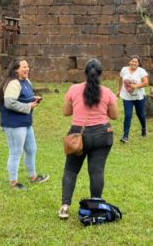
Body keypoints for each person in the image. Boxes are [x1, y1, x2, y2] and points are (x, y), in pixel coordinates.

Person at [58, 58, 119, 219]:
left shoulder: (73, 89)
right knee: (96, 171)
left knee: (71, 170)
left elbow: (66, 112)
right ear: (101, 74)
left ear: (84, 73)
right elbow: (115, 115)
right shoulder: (107, 92)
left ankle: (65, 206)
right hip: (102, 135)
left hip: (79, 134)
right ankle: (95, 206)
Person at [0, 58, 49, 190]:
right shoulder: (13, 83)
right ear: (16, 70)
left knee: (31, 149)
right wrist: (28, 105)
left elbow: (23, 97)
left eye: (28, 66)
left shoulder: (26, 82)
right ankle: (13, 183)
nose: (27, 69)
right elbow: (9, 103)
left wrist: (33, 99)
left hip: (25, 122)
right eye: (24, 67)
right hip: (14, 124)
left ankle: (33, 177)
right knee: (15, 152)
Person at [117, 55, 149, 143]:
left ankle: (144, 128)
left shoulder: (141, 71)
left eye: (136, 62)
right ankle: (125, 136)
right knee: (128, 115)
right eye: (132, 61)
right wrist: (119, 90)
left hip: (139, 97)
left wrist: (136, 86)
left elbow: (146, 83)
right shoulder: (124, 70)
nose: (134, 63)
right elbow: (120, 80)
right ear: (129, 62)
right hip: (127, 97)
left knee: (140, 114)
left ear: (138, 64)